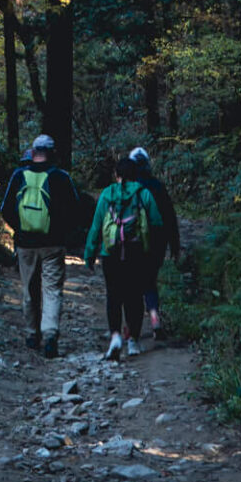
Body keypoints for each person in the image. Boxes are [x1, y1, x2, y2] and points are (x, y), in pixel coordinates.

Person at [0, 133, 83, 358]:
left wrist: (20, 229)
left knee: (29, 289)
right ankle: (50, 335)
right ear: (53, 153)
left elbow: (5, 208)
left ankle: (31, 334)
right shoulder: (61, 177)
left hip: (25, 244)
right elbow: (75, 210)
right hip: (53, 244)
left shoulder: (19, 175)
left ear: (34, 151)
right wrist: (64, 233)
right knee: (52, 290)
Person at [82, 154, 163, 360]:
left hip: (110, 254)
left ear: (115, 174)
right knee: (134, 297)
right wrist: (154, 252)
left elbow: (96, 226)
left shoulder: (107, 194)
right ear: (135, 174)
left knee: (113, 296)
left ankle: (116, 336)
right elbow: (156, 224)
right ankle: (133, 340)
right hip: (137, 253)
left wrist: (89, 254)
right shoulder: (143, 194)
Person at [127, 144, 181, 338]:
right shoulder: (158, 186)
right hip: (157, 243)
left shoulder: (127, 188)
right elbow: (170, 219)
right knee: (150, 281)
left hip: (132, 243)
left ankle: (132, 328)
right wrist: (175, 246)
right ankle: (155, 318)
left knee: (132, 283)